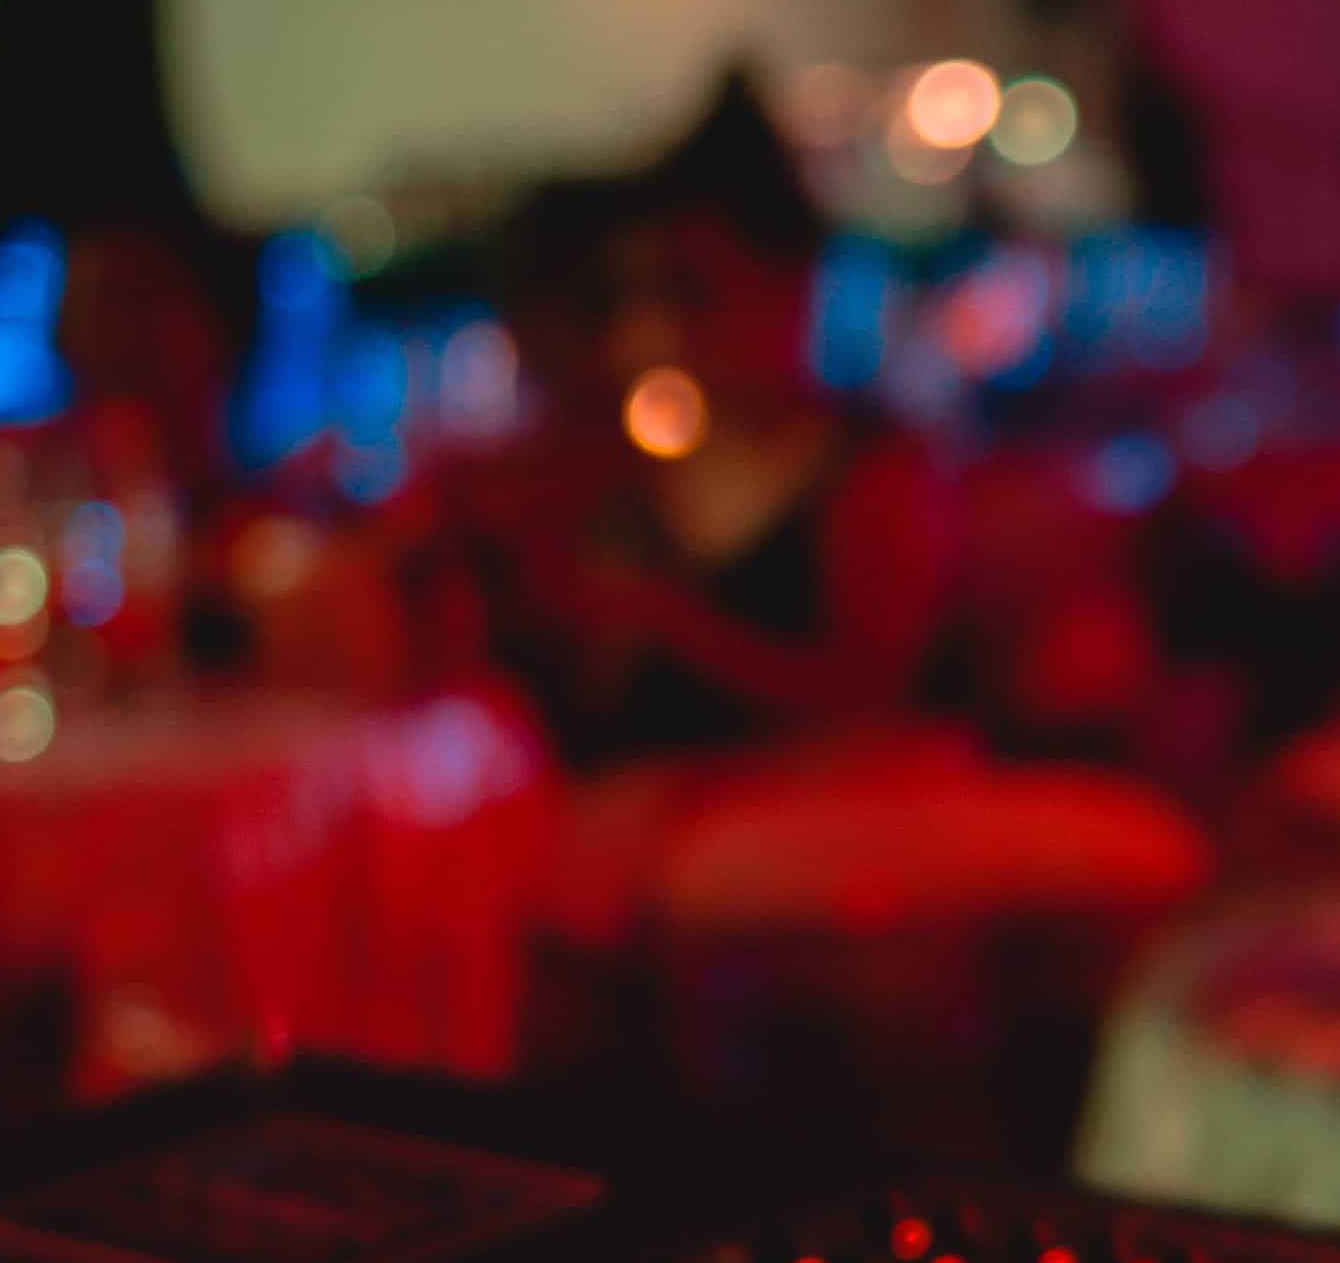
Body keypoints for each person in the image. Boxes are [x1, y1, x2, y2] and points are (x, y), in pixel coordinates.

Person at [395, 74, 955, 757]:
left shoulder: (871, 465)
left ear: (793, 287)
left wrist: (664, 622)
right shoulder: (621, 453)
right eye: (644, 295)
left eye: (695, 292)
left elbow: (870, 703)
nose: (653, 332)